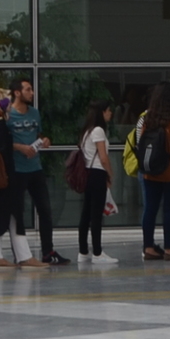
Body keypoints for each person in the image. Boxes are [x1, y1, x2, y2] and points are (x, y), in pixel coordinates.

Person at [6, 78, 66, 265]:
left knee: (45, 209)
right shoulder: (7, 115)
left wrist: (44, 140)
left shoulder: (34, 113)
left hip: (35, 167)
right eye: (28, 89)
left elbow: (38, 134)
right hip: (17, 169)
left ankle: (48, 251)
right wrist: (20, 147)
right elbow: (2, 141)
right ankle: (21, 254)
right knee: (18, 212)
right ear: (17, 92)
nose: (32, 93)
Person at [0, 89, 36, 268]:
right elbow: (4, 150)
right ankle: (22, 256)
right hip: (4, 177)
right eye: (6, 101)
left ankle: (7, 255)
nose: (9, 105)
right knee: (12, 215)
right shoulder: (0, 122)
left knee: (2, 216)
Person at [138, 83, 170, 261]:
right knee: (169, 210)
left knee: (149, 210)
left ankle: (148, 247)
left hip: (150, 171)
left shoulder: (147, 119)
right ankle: (168, 248)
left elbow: (141, 142)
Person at [77, 99, 117, 265]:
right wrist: (110, 174)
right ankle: (98, 252)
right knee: (96, 216)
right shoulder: (99, 130)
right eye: (108, 110)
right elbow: (103, 157)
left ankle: (83, 251)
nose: (110, 113)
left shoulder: (87, 131)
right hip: (98, 173)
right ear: (102, 112)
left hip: (88, 173)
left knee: (86, 213)